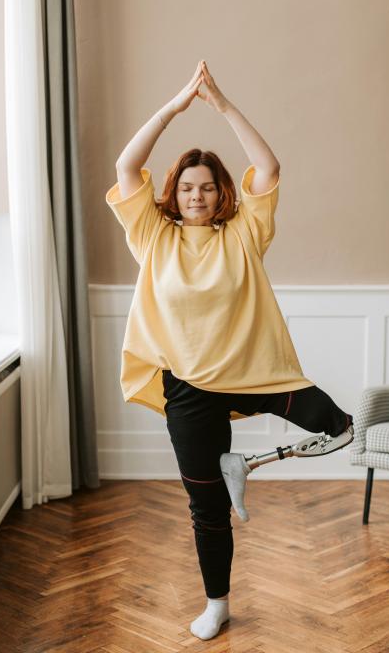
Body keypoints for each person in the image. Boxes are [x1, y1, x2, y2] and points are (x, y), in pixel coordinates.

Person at [106, 59, 353, 641]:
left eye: (207, 187)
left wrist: (219, 105)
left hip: (252, 374)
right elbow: (126, 165)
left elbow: (266, 166)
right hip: (187, 390)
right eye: (187, 187)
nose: (196, 195)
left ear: (221, 195)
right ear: (175, 194)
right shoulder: (153, 237)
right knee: (207, 511)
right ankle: (217, 603)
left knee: (340, 427)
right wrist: (172, 109)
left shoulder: (246, 234)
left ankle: (249, 465)